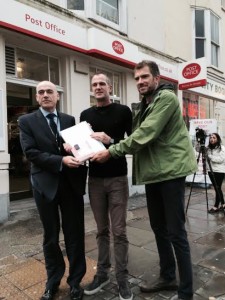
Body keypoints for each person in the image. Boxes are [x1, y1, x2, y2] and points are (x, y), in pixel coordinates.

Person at [91, 61, 198, 300]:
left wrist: (111, 150)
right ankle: (168, 276)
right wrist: (111, 141)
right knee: (159, 228)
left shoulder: (167, 99)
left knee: (176, 231)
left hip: (170, 172)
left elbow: (144, 135)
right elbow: (135, 138)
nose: (140, 81)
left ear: (157, 79)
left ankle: (186, 292)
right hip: (153, 174)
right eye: (137, 78)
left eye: (145, 77)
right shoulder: (144, 104)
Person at [18, 81, 87, 300]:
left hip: (71, 185)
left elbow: (76, 146)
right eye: (41, 92)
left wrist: (75, 149)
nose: (45, 95)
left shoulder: (69, 120)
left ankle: (75, 282)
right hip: (45, 185)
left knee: (75, 235)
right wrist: (61, 159)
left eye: (50, 92)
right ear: (37, 98)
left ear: (57, 96)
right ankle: (53, 281)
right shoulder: (26, 121)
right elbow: (31, 152)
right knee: (50, 237)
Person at [81, 72, 133, 300]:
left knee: (119, 231)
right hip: (94, 180)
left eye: (102, 83)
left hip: (117, 178)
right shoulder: (85, 114)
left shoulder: (123, 112)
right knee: (101, 230)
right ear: (92, 89)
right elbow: (81, 144)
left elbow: (133, 142)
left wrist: (110, 141)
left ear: (110, 87)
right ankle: (102, 273)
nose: (98, 87)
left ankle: (122, 277)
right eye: (95, 84)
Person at [207, 133, 225, 213]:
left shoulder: (222, 148)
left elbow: (220, 159)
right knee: (217, 188)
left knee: (217, 188)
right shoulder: (208, 148)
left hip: (219, 171)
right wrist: (199, 142)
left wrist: (210, 157)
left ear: (217, 139)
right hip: (210, 170)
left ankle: (217, 206)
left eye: (214, 137)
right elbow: (197, 150)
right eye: (210, 137)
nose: (212, 139)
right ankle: (222, 204)